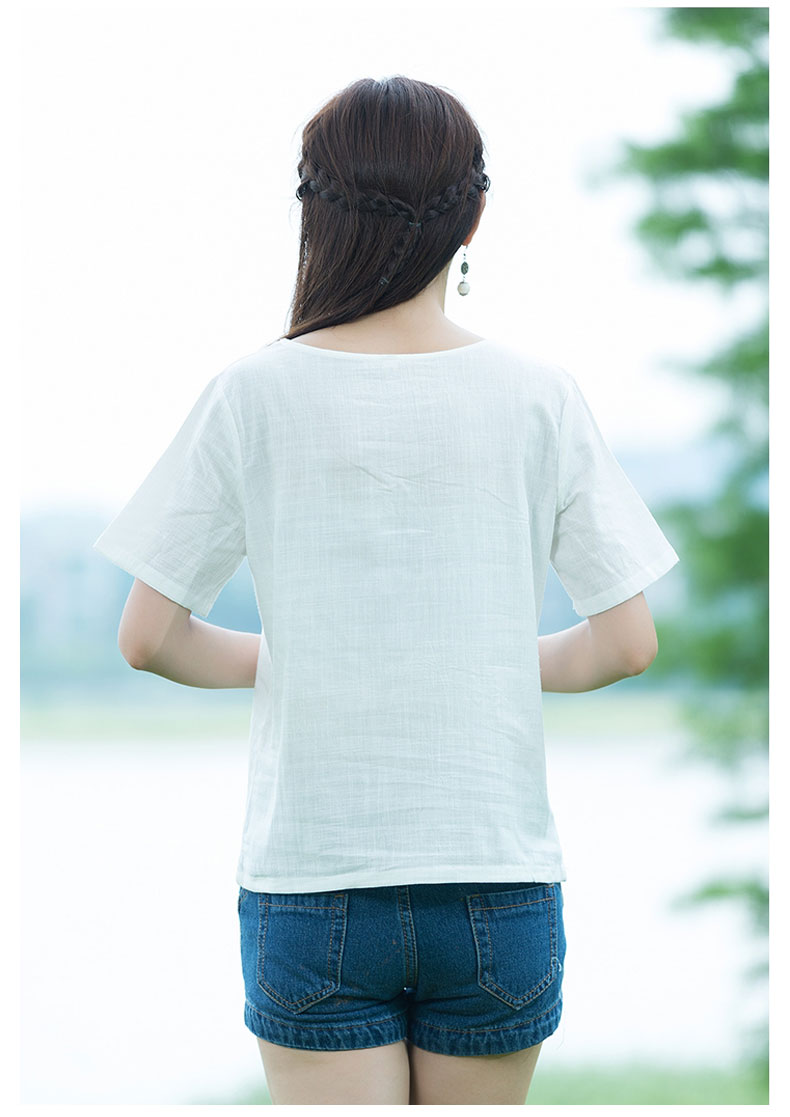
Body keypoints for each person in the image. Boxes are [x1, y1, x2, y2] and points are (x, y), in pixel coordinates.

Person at [92, 75, 680, 1105]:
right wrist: (477, 662)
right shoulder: (538, 396)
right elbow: (627, 642)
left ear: (313, 211)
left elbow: (150, 637)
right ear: (474, 215)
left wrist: (311, 660)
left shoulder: (252, 392)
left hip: (312, 886)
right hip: (496, 884)